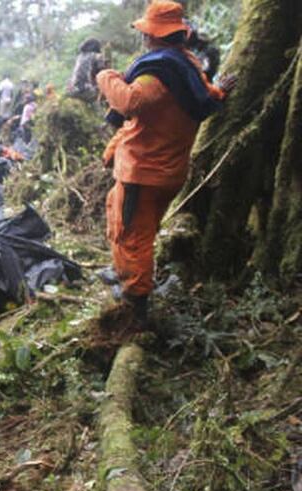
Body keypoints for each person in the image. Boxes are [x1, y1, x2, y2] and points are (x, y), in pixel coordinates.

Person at [96, 0, 236, 326]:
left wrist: (106, 76)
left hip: (144, 172)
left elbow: (131, 101)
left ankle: (136, 304)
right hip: (163, 171)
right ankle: (122, 272)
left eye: (147, 33)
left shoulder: (157, 77)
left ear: (154, 36)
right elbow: (208, 95)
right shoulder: (187, 67)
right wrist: (222, 91)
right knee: (121, 216)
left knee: (133, 235)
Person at [67, 38, 107, 102]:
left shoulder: (79, 57)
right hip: (88, 90)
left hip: (73, 90)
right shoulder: (98, 56)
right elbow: (103, 75)